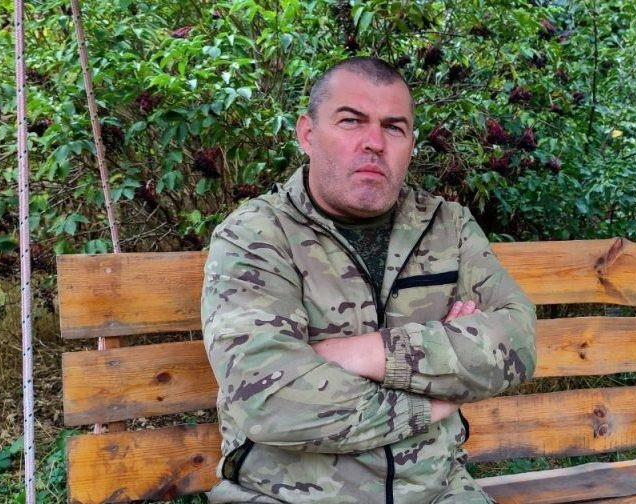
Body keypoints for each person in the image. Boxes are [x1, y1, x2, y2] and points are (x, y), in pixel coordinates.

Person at [201, 56, 537, 504]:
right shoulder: (257, 235)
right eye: (351, 121)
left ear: (410, 143)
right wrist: (433, 399)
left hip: (437, 492)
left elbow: (518, 343)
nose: (374, 142)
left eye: (394, 127)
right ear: (307, 133)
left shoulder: (448, 226)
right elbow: (269, 399)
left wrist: (366, 353)